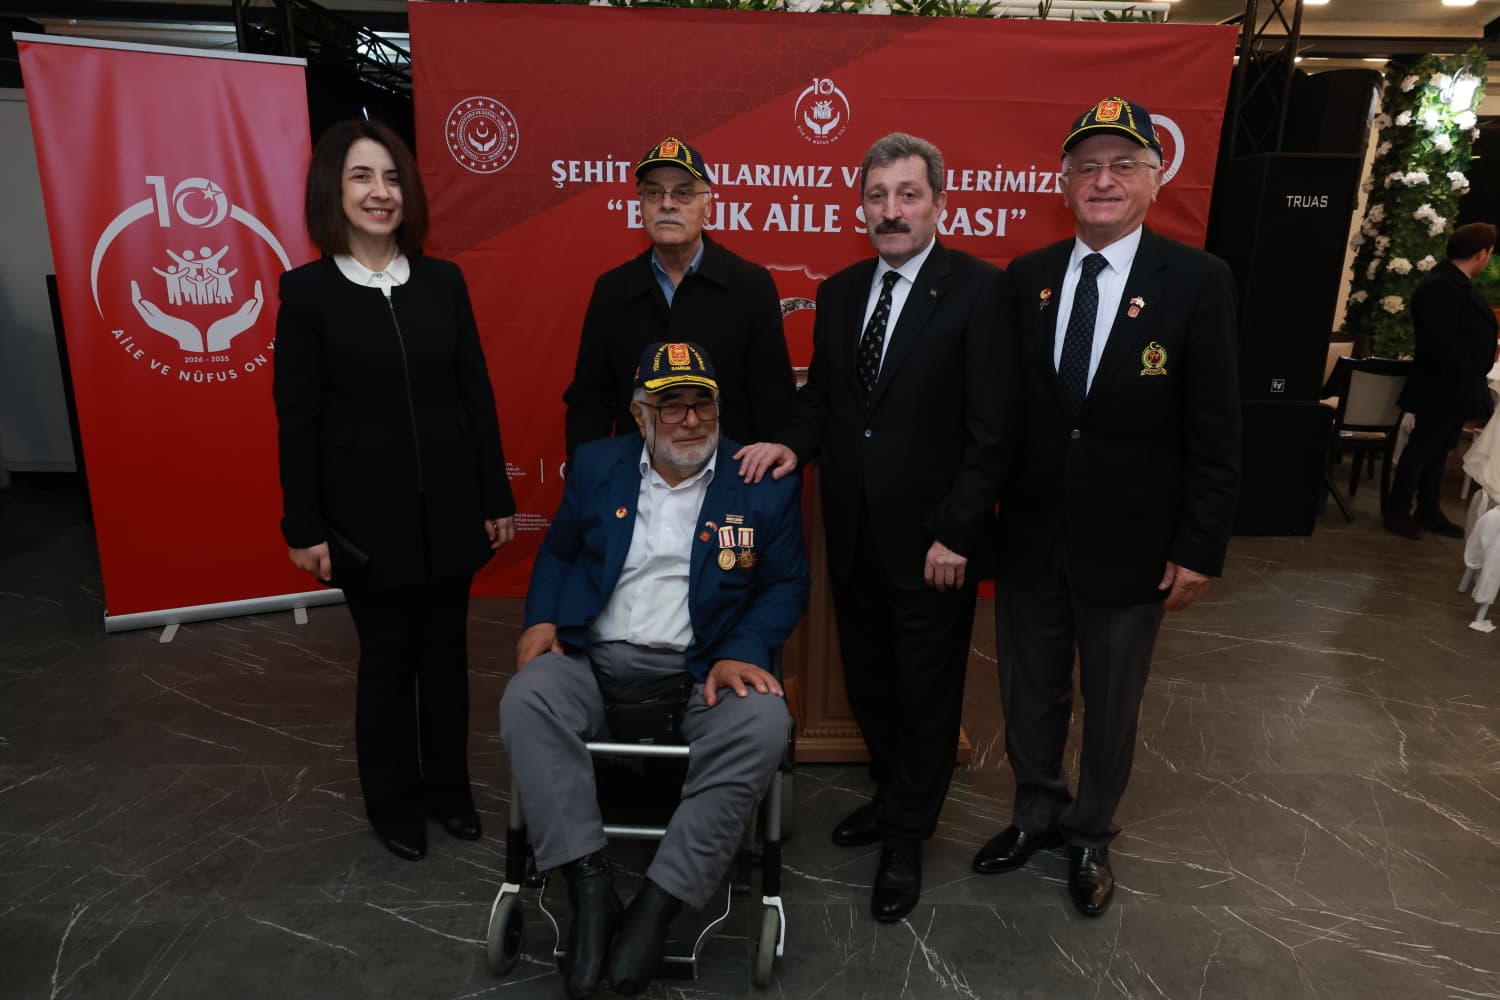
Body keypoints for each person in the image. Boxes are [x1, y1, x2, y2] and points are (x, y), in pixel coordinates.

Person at [972, 98, 1240, 917]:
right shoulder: (1027, 278)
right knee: (1029, 691)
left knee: (1114, 700)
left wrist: (1199, 545)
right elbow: (1003, 414)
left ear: (1155, 181)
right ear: (1064, 183)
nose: (1103, 180)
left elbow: (1216, 428)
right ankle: (1035, 811)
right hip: (1031, 535)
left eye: (1124, 165)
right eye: (1087, 166)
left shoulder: (1196, 280)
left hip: (1134, 544)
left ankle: (1090, 831)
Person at [737, 133, 1009, 923]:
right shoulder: (843, 291)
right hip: (852, 532)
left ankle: (907, 836)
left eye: (908, 194)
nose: (891, 210)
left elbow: (994, 429)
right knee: (869, 681)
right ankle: (893, 794)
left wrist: (959, 531)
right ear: (861, 207)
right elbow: (825, 401)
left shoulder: (979, 291)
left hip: (934, 543)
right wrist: (790, 445)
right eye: (878, 196)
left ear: (939, 204)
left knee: (926, 691)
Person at [501, 342, 808, 999]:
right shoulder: (597, 465)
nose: (691, 420)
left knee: (763, 723)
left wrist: (744, 650)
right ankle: (589, 888)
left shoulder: (760, 481)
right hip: (592, 659)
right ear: (640, 415)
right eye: (672, 406)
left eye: (703, 403)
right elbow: (557, 554)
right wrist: (541, 619)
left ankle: (658, 905)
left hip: (703, 671)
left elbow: (785, 585)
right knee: (528, 698)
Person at [272, 119, 516, 863]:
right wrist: (303, 525)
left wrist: (494, 495)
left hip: (450, 510)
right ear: (332, 191)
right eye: (361, 176)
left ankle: (449, 792)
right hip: (362, 521)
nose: (380, 192)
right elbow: (297, 417)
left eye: (391, 178)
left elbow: (476, 394)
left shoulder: (443, 282)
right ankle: (394, 804)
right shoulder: (307, 293)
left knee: (445, 657)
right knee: (386, 662)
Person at [563, 136, 796, 464]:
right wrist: (591, 476)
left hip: (729, 479)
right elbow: (590, 401)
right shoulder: (612, 290)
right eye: (654, 193)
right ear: (640, 204)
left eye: (683, 193)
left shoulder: (750, 286)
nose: (667, 204)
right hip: (634, 480)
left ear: (708, 206)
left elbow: (774, 403)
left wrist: (767, 484)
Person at [1384, 222, 1499, 540]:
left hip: (1454, 385)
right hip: (1442, 384)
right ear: (1481, 254)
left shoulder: (1453, 282)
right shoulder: (1442, 285)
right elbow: (1439, 339)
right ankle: (1398, 510)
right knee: (1423, 447)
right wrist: (1466, 368)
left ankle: (1428, 508)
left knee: (1439, 448)